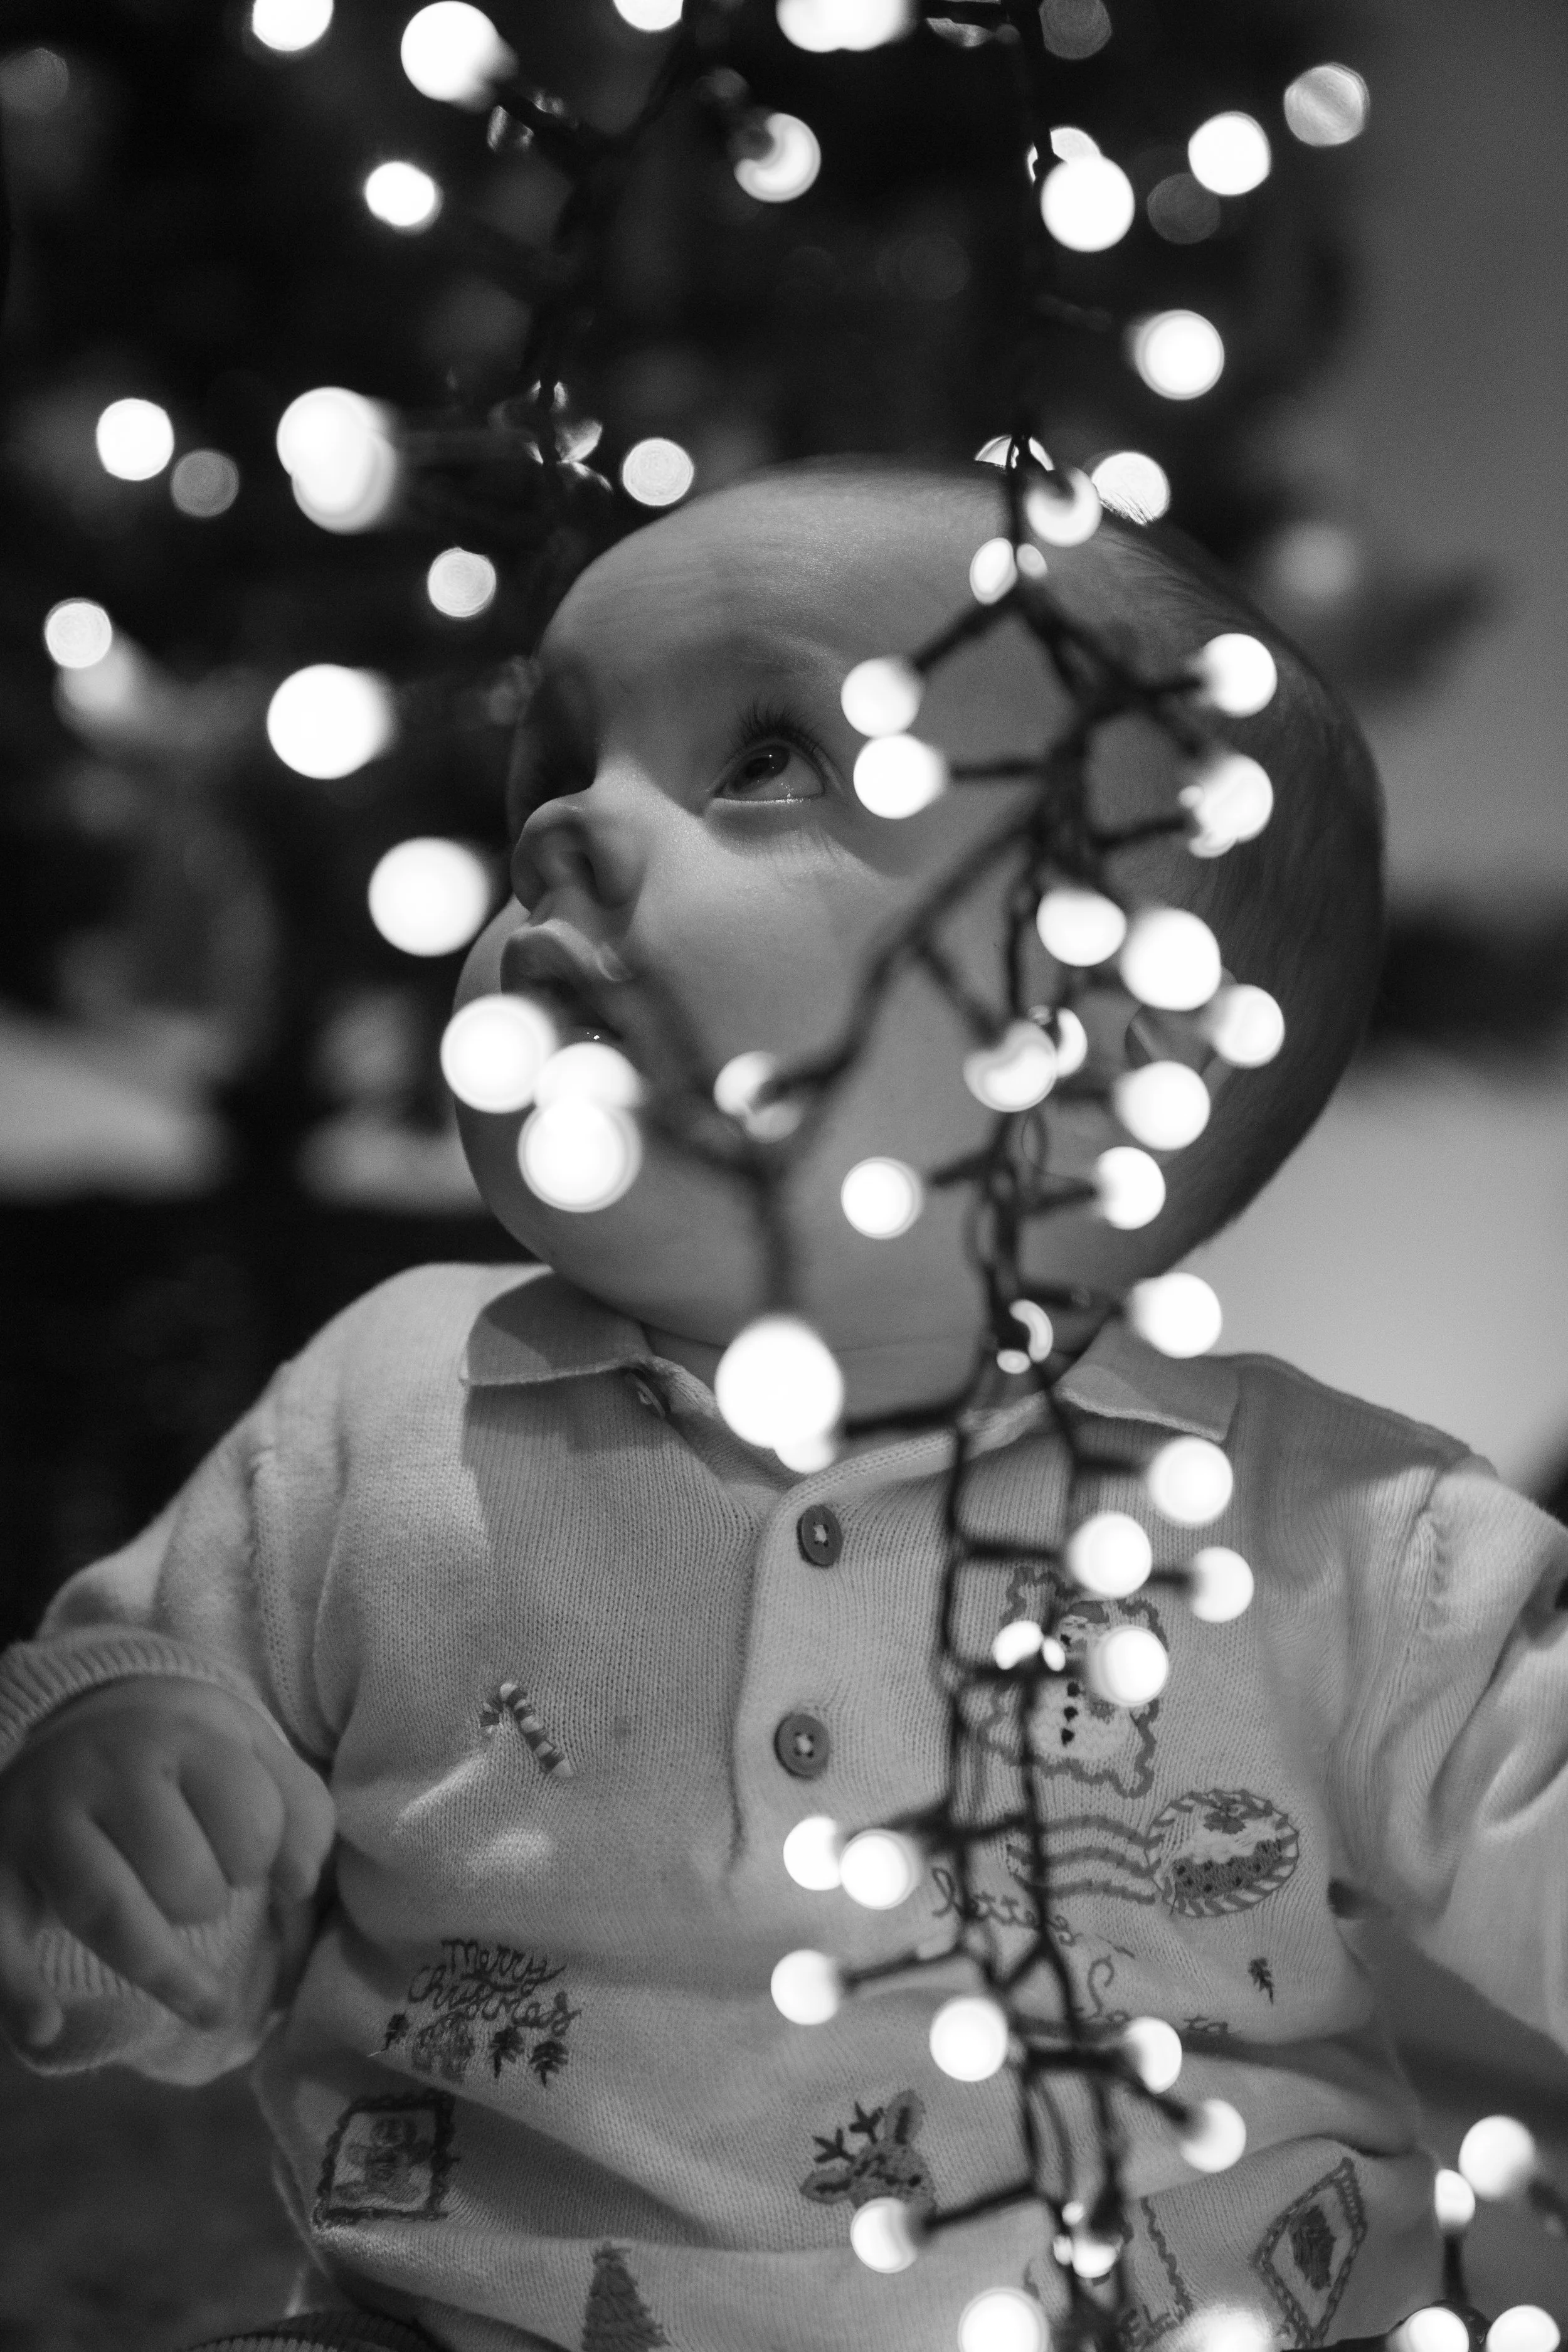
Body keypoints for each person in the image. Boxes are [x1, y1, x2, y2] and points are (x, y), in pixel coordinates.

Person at [1, 463, 1563, 2352]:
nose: (568, 823)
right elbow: (141, 1774)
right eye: (551, 772)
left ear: (1084, 1048)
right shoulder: (390, 1399)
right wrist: (103, 1801)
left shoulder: (1336, 1540)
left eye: (761, 760)